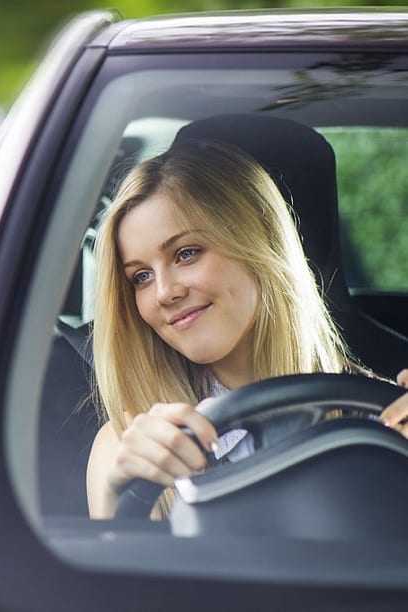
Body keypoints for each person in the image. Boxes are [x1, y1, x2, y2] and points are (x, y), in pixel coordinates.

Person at [85, 140, 408, 519]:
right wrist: (117, 500)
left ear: (260, 243)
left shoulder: (386, 418)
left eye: (186, 253)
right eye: (141, 276)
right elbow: (118, 578)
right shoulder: (134, 448)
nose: (165, 293)